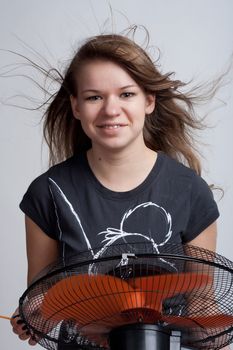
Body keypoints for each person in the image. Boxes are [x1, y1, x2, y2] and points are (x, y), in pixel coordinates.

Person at [10, 32, 220, 348]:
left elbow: (202, 302)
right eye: (95, 97)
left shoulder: (190, 191)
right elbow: (41, 297)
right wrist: (32, 315)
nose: (111, 110)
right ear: (76, 106)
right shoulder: (48, 194)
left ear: (149, 100)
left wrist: (216, 332)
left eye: (126, 94)